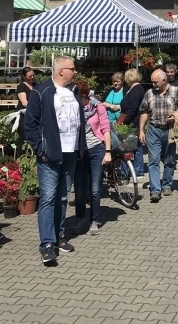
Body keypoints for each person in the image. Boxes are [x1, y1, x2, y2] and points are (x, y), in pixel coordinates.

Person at [23, 55, 86, 265]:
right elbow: (29, 124)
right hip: (50, 155)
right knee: (48, 198)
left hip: (71, 153)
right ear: (61, 71)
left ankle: (59, 236)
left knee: (62, 198)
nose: (75, 71)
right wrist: (40, 149)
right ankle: (47, 244)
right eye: (72, 68)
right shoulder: (41, 92)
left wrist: (80, 148)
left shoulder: (74, 91)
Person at [138, 69, 178, 203]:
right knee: (153, 160)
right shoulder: (149, 93)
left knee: (169, 160)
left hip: (170, 131)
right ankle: (155, 190)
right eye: (152, 82)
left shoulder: (176, 91)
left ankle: (167, 185)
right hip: (153, 130)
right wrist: (141, 130)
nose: (153, 84)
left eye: (156, 82)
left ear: (164, 81)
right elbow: (143, 111)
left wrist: (176, 116)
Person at [72, 78, 111, 236]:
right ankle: (80, 218)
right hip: (79, 151)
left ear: (84, 95)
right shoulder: (72, 108)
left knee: (95, 189)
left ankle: (94, 220)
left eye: (78, 97)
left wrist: (108, 151)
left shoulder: (97, 106)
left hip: (96, 149)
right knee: (80, 190)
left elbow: (106, 128)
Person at [117, 68, 146, 178]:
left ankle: (132, 170)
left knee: (128, 146)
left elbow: (134, 108)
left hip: (132, 122)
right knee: (135, 145)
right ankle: (137, 170)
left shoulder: (136, 89)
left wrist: (125, 121)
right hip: (133, 120)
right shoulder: (136, 88)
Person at [16, 67, 35, 142]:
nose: (32, 77)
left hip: (35, 115)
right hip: (25, 116)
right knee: (24, 139)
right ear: (24, 77)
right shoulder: (21, 86)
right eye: (30, 76)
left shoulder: (36, 85)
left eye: (33, 75)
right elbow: (24, 103)